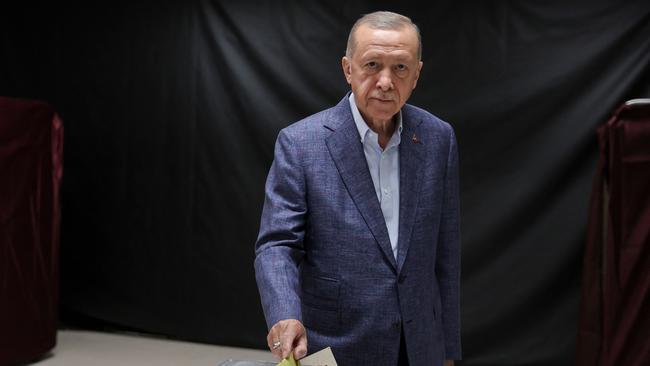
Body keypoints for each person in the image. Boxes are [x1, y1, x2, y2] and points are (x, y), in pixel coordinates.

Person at [254, 11, 461, 366]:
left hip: (419, 347)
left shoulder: (438, 138)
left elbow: (445, 254)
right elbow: (277, 244)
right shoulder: (301, 144)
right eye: (372, 64)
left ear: (417, 74)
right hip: (336, 346)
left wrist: (448, 351)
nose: (385, 81)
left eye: (400, 68)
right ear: (348, 69)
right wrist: (284, 314)